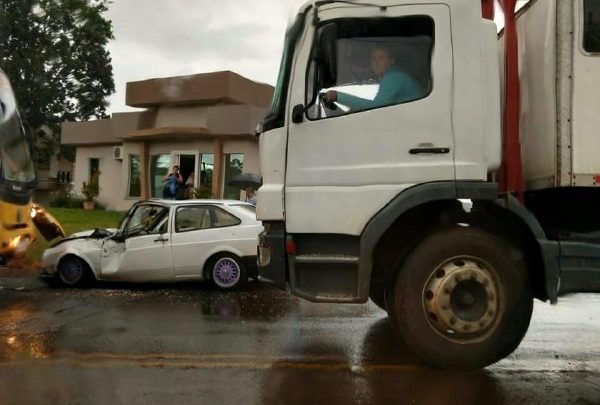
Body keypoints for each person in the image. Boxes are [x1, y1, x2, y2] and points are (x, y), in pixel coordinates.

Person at [323, 45, 423, 111]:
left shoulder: (394, 77)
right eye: (373, 58)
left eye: (381, 57)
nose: (376, 62)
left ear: (392, 60)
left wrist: (337, 96)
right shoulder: (397, 75)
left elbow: (376, 108)